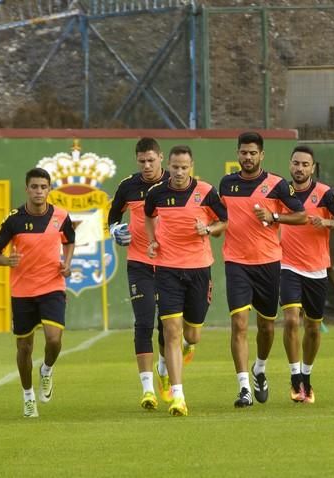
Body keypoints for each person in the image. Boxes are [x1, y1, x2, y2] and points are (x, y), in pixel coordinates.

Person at [219, 131, 307, 408]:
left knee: (267, 327)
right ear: (237, 154)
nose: (248, 157)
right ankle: (244, 387)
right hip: (236, 263)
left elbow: (302, 215)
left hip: (268, 263)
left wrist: (274, 217)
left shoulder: (278, 185)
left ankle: (259, 368)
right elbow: (216, 216)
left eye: (253, 153)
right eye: (243, 152)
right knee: (239, 324)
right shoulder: (226, 185)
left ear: (261, 155)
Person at [144, 145, 228, 416]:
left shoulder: (206, 191)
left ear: (191, 166)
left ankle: (186, 349)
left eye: (184, 167)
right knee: (171, 331)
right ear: (167, 165)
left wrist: (209, 228)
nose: (179, 172)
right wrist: (153, 240)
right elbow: (148, 216)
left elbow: (223, 222)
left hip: (199, 270)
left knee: (191, 335)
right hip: (167, 270)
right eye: (175, 167)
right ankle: (178, 395)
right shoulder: (157, 193)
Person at [0, 167, 75, 418]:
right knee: (24, 347)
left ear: (49, 189)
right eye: (34, 187)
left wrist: (67, 263)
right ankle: (28, 397)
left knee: (54, 339)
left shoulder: (61, 216)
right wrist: (7, 262)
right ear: (27, 189)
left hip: (52, 286)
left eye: (43, 187)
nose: (38, 191)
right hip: (22, 291)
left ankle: (46, 370)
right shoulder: (13, 219)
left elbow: (69, 240)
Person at [279, 145, 334, 403]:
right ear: (290, 165)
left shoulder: (325, 194)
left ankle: (307, 378)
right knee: (290, 320)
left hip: (316, 270)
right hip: (287, 266)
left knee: (312, 327)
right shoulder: (281, 192)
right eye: (295, 163)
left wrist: (328, 222)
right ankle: (294, 376)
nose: (299, 168)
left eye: (304, 164)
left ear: (313, 168)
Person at [108, 137, 173, 411]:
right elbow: (113, 216)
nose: (147, 166)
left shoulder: (176, 181)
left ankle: (163, 366)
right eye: (142, 161)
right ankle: (147, 390)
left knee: (167, 325)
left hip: (172, 263)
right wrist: (115, 231)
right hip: (139, 262)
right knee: (144, 322)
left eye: (151, 160)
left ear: (161, 157)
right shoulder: (128, 186)